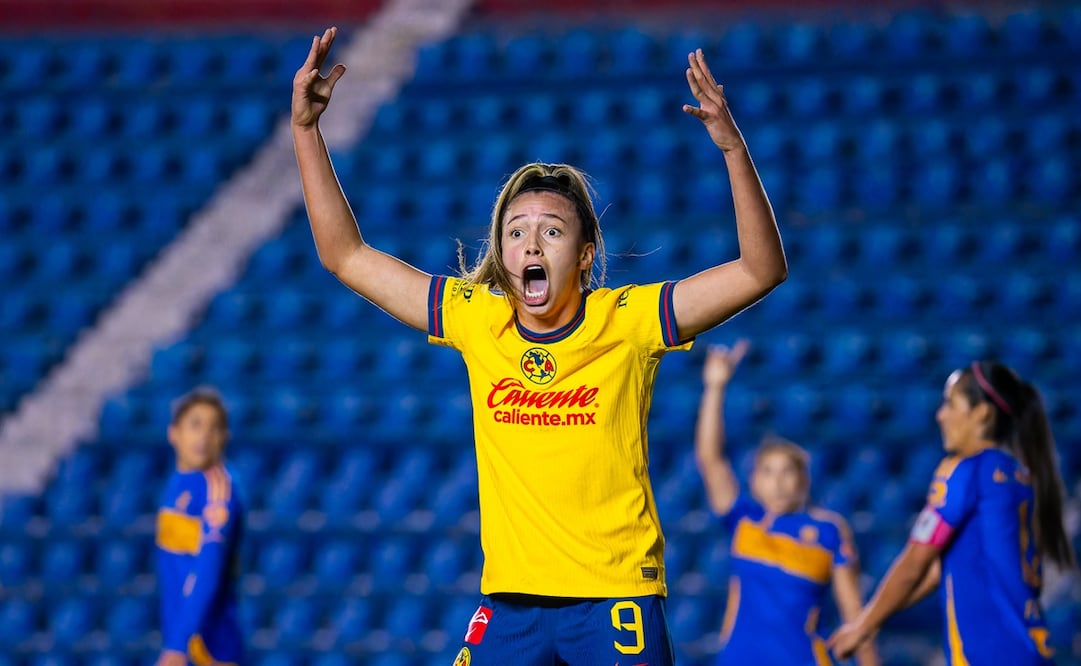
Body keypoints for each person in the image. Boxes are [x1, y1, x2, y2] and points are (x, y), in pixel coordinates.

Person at [292, 27, 787, 665]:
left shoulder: (629, 319)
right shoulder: (477, 317)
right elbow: (345, 255)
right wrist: (306, 131)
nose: (530, 242)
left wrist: (733, 149)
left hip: (613, 599)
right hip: (509, 605)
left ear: (583, 257)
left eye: (552, 231)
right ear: (501, 251)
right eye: (516, 230)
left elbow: (760, 270)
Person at [829, 362, 1076, 664]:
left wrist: (862, 627)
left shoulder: (965, 470)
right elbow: (937, 571)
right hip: (1029, 648)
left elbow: (916, 561)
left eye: (950, 404)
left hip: (989, 653)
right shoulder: (1016, 474)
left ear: (981, 413)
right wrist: (874, 617)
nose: (940, 415)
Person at [694, 341, 879, 666]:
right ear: (754, 481)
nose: (778, 482)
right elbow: (711, 459)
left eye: (787, 471)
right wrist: (715, 387)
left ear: (803, 480)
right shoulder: (744, 520)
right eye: (767, 472)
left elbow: (854, 614)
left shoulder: (829, 530)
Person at [155, 387, 244, 666]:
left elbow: (209, 567)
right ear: (174, 433)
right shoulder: (176, 484)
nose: (204, 436)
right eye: (195, 425)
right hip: (182, 638)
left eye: (214, 428)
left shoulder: (217, 490)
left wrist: (177, 645)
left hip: (209, 645)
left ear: (224, 437)